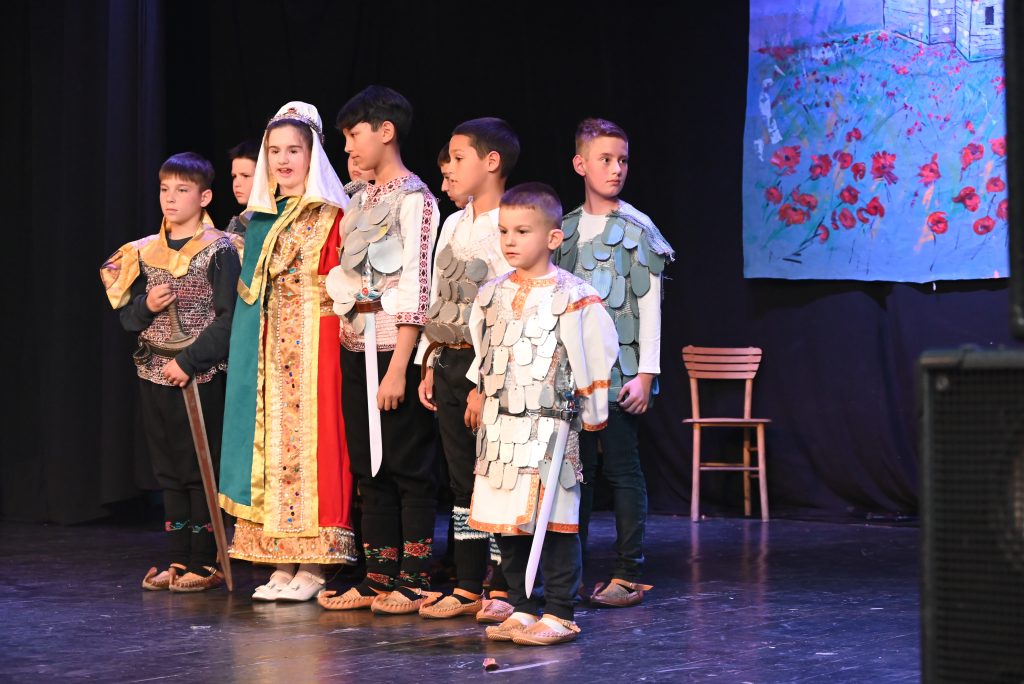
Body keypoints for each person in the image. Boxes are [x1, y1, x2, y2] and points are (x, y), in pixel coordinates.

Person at [466, 182, 618, 646]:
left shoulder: (575, 297)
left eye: (522, 231)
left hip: (550, 427)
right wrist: (478, 392)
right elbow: (485, 354)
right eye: (504, 231)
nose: (510, 241)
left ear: (552, 237)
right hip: (502, 430)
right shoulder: (490, 294)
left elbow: (596, 356)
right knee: (508, 521)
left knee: (554, 523)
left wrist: (592, 417)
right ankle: (522, 603)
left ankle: (559, 610)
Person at [218, 101, 357, 602]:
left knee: (315, 446)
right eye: (273, 150)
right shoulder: (259, 218)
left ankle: (315, 563)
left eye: (293, 150)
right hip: (268, 352)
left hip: (317, 343)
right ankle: (280, 560)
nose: (282, 160)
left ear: (312, 154)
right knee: (270, 450)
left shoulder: (334, 214)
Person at [320, 85, 440, 615]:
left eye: (354, 135)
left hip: (395, 348)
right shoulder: (358, 197)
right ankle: (378, 574)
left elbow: (416, 285)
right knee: (370, 465)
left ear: (385, 132)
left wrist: (398, 369)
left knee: (407, 464)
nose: (348, 147)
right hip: (356, 342)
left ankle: (414, 576)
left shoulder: (416, 199)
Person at [100, 151, 241, 593]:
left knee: (199, 468)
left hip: (200, 371)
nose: (171, 198)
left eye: (182, 190)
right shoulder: (144, 251)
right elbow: (127, 318)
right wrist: (146, 305)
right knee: (169, 470)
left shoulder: (219, 249)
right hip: (153, 368)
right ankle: (179, 558)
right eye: (165, 189)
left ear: (205, 197)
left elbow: (228, 318)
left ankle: (206, 560)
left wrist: (190, 360)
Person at [555, 117, 675, 607]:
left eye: (622, 160)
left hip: (622, 373)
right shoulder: (563, 230)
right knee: (577, 473)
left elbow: (649, 306)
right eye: (605, 159)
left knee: (623, 469)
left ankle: (628, 571)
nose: (616, 169)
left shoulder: (637, 228)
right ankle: (570, 571)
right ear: (580, 164)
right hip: (574, 377)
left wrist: (646, 373)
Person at [416, 118, 518, 621]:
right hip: (450, 359)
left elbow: (505, 312)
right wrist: (429, 359)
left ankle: (504, 582)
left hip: (492, 368)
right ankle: (467, 581)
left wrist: (483, 381)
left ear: (491, 162)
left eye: (459, 158)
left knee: (496, 475)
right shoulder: (455, 223)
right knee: (461, 481)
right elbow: (440, 296)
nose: (450, 169)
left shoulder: (511, 224)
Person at [225, 139, 260, 236]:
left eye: (245, 176)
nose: (236, 184)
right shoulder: (236, 225)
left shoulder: (278, 223)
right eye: (234, 176)